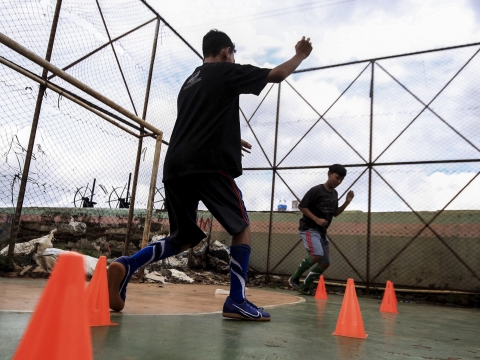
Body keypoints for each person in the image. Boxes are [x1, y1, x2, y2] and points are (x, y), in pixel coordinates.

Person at [108, 29, 313, 321]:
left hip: (176, 166)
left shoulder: (190, 82)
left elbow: (201, 123)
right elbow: (277, 74)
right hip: (208, 165)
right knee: (241, 227)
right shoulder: (225, 72)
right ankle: (237, 300)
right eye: (233, 53)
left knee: (183, 238)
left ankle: (128, 264)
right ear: (227, 51)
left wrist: (231, 139)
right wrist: (300, 55)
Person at [288, 164, 354, 295]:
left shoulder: (335, 194)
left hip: (322, 232)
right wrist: (316, 219)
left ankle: (304, 287)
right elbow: (302, 206)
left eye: (341, 179)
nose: (339, 181)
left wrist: (347, 202)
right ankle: (294, 278)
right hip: (309, 228)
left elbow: (335, 213)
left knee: (325, 263)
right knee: (316, 254)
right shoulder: (316, 190)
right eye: (337, 178)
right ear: (329, 174)